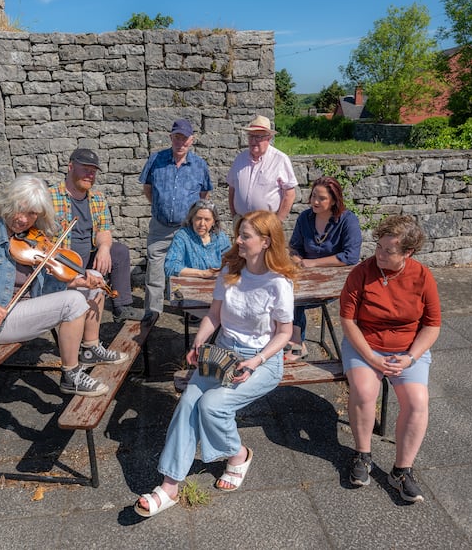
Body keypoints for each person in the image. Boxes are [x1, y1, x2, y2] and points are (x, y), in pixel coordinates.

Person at [134, 211, 298, 517]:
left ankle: (238, 455)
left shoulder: (279, 282)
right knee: (188, 405)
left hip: (262, 361)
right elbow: (215, 315)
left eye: (245, 236)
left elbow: (285, 333)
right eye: (238, 234)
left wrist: (255, 361)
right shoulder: (231, 269)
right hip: (222, 355)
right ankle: (169, 487)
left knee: (212, 406)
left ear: (265, 242)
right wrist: (199, 342)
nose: (237, 241)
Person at [0, 174, 129, 398]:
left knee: (94, 282)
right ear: (9, 201)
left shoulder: (29, 235)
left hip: (29, 304)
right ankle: (71, 375)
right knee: (73, 302)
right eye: (20, 209)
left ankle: (90, 349)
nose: (23, 219)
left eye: (32, 214)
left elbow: (43, 280)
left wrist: (77, 281)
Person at [339, 214, 441, 503]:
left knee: (418, 402)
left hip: (407, 349)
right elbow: (347, 321)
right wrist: (370, 357)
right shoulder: (361, 273)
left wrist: (411, 357)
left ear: (407, 253)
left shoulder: (422, 276)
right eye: (379, 248)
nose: (380, 255)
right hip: (365, 343)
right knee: (363, 390)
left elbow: (432, 325)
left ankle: (401, 470)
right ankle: (363, 454)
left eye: (389, 251)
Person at [49, 148, 144, 323]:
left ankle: (121, 307)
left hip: (88, 256)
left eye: (93, 171)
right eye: (85, 169)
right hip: (62, 261)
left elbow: (104, 230)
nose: (89, 175)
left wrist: (104, 248)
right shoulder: (49, 196)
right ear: (70, 167)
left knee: (119, 251)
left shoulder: (98, 199)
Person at [139, 119, 212, 325]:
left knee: (187, 269)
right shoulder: (156, 159)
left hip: (187, 228)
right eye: (177, 137)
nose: (180, 142)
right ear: (171, 137)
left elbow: (203, 195)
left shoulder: (200, 165)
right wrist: (161, 207)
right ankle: (152, 311)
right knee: (155, 268)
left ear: (192, 140)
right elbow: (148, 188)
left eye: (185, 138)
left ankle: (191, 310)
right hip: (160, 227)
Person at [285, 176, 362, 361]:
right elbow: (294, 246)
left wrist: (314, 263)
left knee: (295, 298)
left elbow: (351, 256)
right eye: (313, 196)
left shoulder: (347, 220)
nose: (315, 201)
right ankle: (294, 339)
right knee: (284, 290)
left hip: (334, 281)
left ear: (334, 200)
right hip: (306, 277)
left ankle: (295, 339)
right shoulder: (305, 217)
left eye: (321, 198)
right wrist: (296, 258)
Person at [227, 115, 297, 222]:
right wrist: (234, 216)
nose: (253, 141)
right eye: (251, 136)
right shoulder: (240, 159)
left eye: (258, 137)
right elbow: (232, 189)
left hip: (266, 223)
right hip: (242, 221)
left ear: (268, 138)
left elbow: (290, 194)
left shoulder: (280, 159)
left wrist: (278, 222)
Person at [164, 199, 231, 281]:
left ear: (214, 222)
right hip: (189, 286)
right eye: (198, 218)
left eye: (207, 219)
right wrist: (202, 273)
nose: (202, 224)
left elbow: (231, 262)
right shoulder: (183, 236)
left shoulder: (220, 237)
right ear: (192, 219)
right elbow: (170, 266)